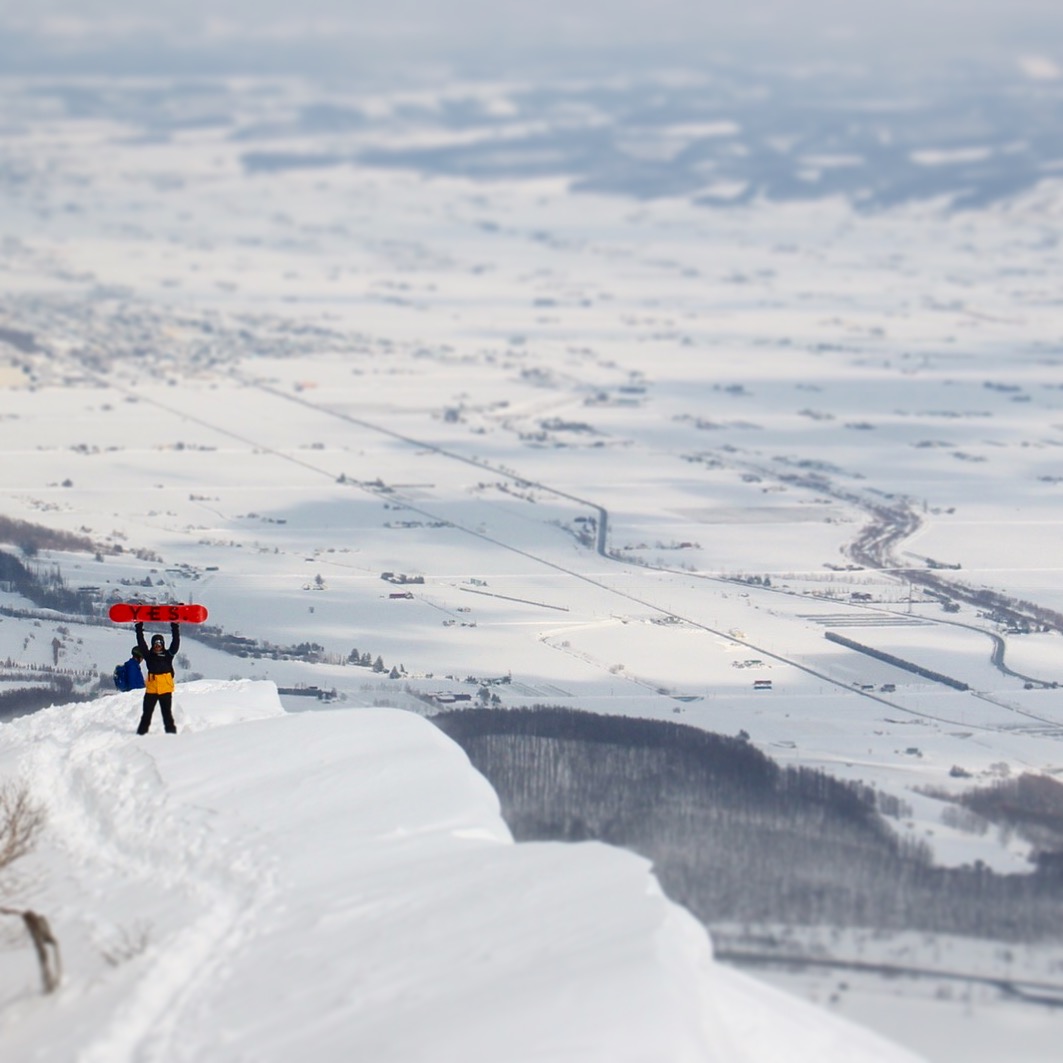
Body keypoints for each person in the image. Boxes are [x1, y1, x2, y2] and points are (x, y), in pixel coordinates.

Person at [135, 621, 180, 734]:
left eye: (160, 644)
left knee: (167, 714)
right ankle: (141, 734)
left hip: (165, 688)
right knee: (147, 713)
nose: (157, 646)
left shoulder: (168, 655)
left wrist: (175, 626)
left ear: (163, 644)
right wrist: (139, 627)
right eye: (155, 644)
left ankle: (172, 736)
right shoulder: (149, 656)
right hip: (152, 689)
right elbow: (141, 643)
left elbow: (175, 644)